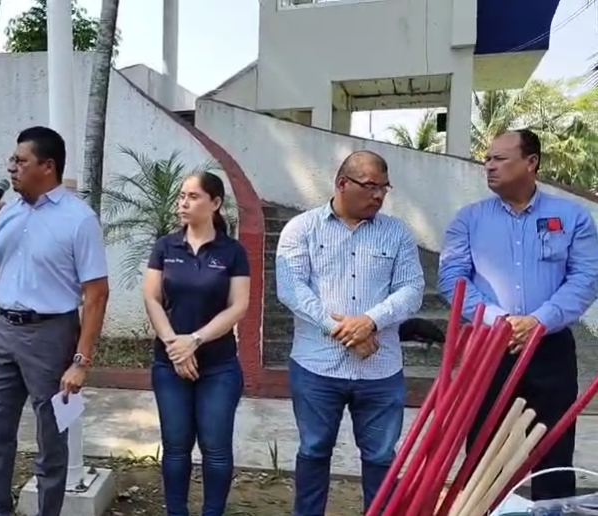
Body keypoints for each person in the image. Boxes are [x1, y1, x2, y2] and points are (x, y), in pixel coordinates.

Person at [438, 129, 598, 501]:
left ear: (531, 163)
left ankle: (553, 510)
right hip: (490, 348)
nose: (489, 167)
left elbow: (586, 277)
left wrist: (542, 320)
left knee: (553, 450)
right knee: (482, 449)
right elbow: (451, 279)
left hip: (551, 348)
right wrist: (500, 323)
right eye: (487, 159)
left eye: (499, 159)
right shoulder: (469, 220)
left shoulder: (572, 217)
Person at [0, 126, 110, 516]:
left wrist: (81, 361)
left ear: (47, 167)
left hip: (52, 335)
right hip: (2, 333)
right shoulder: (7, 213)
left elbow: (96, 294)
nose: (11, 168)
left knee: (52, 438)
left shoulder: (78, 220)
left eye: (20, 161)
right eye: (11, 160)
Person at [275, 150, 424, 516]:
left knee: (380, 457)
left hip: (380, 370)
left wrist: (369, 322)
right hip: (316, 368)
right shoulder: (302, 229)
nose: (379, 195)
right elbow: (291, 289)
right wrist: (344, 331)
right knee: (313, 451)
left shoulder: (397, 232)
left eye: (384, 188)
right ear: (342, 183)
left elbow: (412, 289)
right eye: (371, 186)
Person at [142, 172, 250, 516]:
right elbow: (152, 299)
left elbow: (238, 306)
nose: (183, 203)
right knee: (175, 447)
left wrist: (195, 340)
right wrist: (175, 346)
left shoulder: (232, 252)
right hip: (169, 365)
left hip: (218, 366)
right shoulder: (165, 247)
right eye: (181, 197)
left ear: (215, 203)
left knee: (216, 449)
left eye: (192, 196)